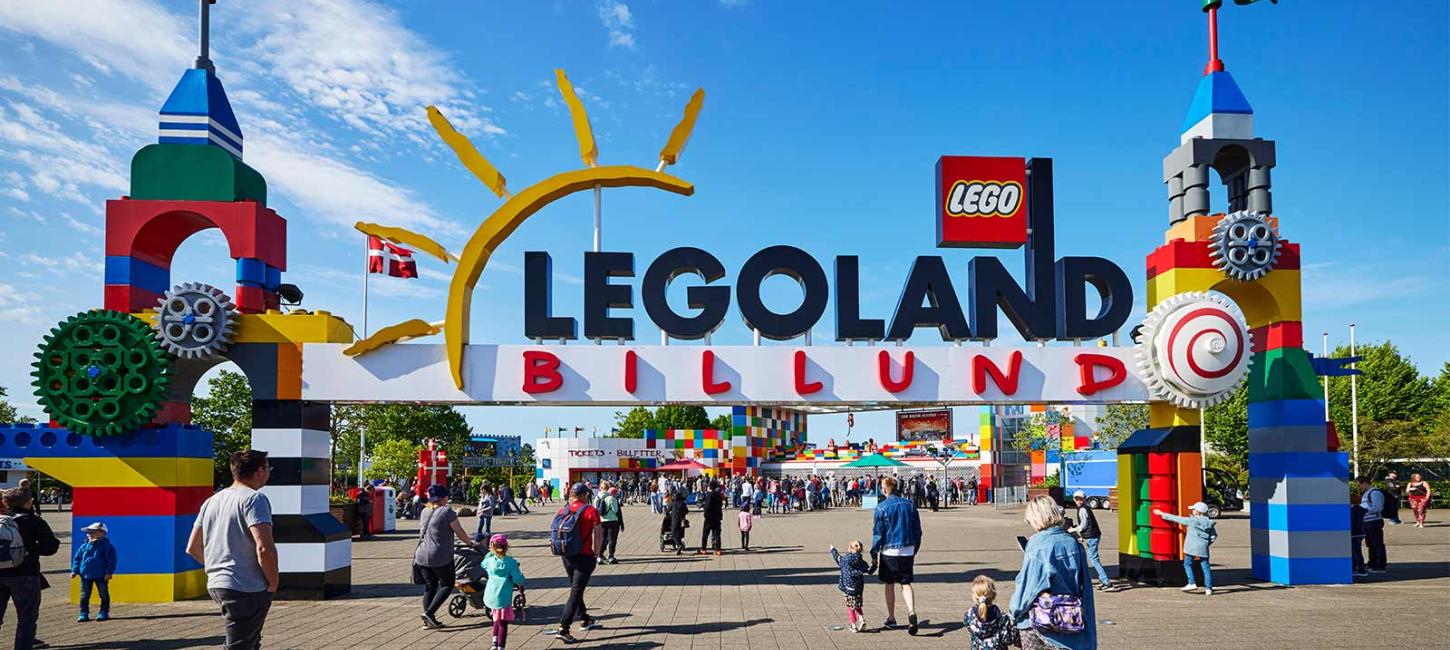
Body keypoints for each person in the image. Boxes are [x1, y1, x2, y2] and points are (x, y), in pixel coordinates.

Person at [186, 450, 278, 650]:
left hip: (218, 584)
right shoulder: (254, 499)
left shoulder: (211, 502)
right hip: (246, 585)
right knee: (241, 645)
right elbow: (264, 547)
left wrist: (216, 567)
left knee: (250, 641)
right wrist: (273, 581)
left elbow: (192, 548)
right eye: (268, 468)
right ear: (260, 471)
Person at [1011, 495, 1097, 650]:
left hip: (1040, 625)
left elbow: (1028, 588)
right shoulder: (1073, 543)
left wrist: (1013, 614)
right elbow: (1085, 589)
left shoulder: (1037, 545)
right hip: (1070, 622)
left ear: (1037, 518)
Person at [0, 487, 60, 649]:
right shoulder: (33, 521)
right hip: (25, 574)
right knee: (27, 617)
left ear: (5, 502)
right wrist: (31, 549)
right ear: (29, 502)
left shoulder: (1, 519)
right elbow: (50, 547)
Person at [413, 485, 479, 629]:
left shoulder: (425, 511)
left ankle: (428, 620)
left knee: (430, 587)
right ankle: (429, 613)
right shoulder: (446, 511)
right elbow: (459, 530)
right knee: (447, 584)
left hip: (421, 554)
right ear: (443, 498)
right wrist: (469, 543)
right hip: (439, 555)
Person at [549, 482, 603, 644]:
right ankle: (564, 628)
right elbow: (598, 534)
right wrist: (597, 553)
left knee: (575, 587)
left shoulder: (563, 509)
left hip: (566, 554)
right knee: (576, 592)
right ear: (585, 494)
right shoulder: (591, 511)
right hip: (584, 556)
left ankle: (584, 618)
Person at [868, 476, 922, 635]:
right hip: (907, 548)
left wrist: (873, 553)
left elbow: (878, 533)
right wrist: (914, 548)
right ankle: (911, 612)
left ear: (884, 489)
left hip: (889, 551)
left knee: (889, 584)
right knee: (906, 583)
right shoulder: (910, 505)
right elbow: (917, 530)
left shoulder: (881, 507)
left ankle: (891, 617)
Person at [1154, 502, 1218, 595]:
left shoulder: (1191, 521)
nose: (1192, 511)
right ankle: (1209, 588)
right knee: (1205, 567)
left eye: (1194, 509)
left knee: (1187, 564)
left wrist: (1161, 513)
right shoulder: (1209, 523)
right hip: (1203, 547)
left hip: (1191, 547)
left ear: (1198, 512)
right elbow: (1213, 536)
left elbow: (1176, 519)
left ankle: (1191, 582)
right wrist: (1206, 544)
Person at [482, 534, 525, 650]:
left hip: (491, 595)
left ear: (491, 547)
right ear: (506, 547)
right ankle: (501, 646)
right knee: (503, 623)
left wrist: (491, 552)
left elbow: (483, 563)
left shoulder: (489, 561)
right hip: (504, 597)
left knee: (496, 619)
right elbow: (517, 579)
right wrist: (522, 580)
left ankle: (495, 642)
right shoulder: (511, 562)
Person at [70, 522, 117, 622]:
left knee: (103, 594)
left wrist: (109, 573)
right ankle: (83, 613)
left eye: (93, 532)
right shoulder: (84, 546)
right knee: (84, 595)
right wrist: (75, 570)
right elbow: (77, 559)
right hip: (85, 575)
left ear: (102, 533)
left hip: (101, 575)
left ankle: (104, 611)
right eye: (88, 532)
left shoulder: (107, 547)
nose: (89, 534)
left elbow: (111, 561)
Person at [1068, 491, 1113, 591]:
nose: (1079, 501)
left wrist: (1073, 530)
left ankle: (1106, 582)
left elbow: (1084, 525)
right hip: (1093, 535)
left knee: (1094, 559)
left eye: (1081, 499)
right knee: (1094, 558)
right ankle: (1102, 580)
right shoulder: (1085, 507)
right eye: (1077, 499)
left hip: (1092, 536)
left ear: (1084, 499)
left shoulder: (1083, 510)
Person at [965, 575, 1019, 650]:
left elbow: (971, 631)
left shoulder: (969, 615)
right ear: (993, 595)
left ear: (974, 596)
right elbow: (1007, 638)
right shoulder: (1001, 616)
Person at [830, 540, 871, 633]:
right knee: (857, 603)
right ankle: (861, 618)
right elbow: (867, 568)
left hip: (848, 586)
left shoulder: (846, 559)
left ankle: (853, 625)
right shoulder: (860, 560)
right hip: (859, 587)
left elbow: (838, 559)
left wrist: (833, 550)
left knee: (850, 606)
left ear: (849, 549)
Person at [1357, 476, 1388, 573]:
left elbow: (1378, 507)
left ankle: (1380, 564)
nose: (1359, 487)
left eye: (1360, 484)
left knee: (1377, 543)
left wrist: (1364, 511)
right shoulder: (1366, 493)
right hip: (1367, 521)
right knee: (1370, 544)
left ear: (1365, 482)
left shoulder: (1374, 493)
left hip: (1374, 521)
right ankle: (1372, 563)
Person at [597, 486, 625, 565]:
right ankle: (611, 557)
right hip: (612, 521)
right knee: (612, 539)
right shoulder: (611, 498)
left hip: (602, 521)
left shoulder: (598, 497)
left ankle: (599, 556)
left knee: (602, 539)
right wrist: (621, 523)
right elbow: (615, 510)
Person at [698, 480, 724, 556]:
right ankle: (718, 550)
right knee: (717, 534)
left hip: (709, 517)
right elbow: (721, 504)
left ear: (710, 487)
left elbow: (707, 506)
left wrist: (705, 514)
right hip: (717, 516)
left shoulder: (710, 495)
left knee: (705, 533)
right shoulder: (718, 495)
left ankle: (703, 549)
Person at [1350, 490, 1367, 578]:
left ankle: (1360, 569)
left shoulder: (1352, 511)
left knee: (1355, 552)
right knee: (1357, 551)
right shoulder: (1362, 510)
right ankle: (1358, 568)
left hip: (1353, 533)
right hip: (1360, 533)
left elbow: (1352, 522)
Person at [667, 490, 689, 555]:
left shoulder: (672, 503)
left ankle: (679, 545)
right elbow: (687, 511)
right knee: (680, 534)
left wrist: (670, 515)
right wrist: (683, 514)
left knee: (673, 534)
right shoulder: (682, 503)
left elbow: (667, 511)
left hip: (674, 520)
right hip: (682, 521)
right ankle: (680, 545)